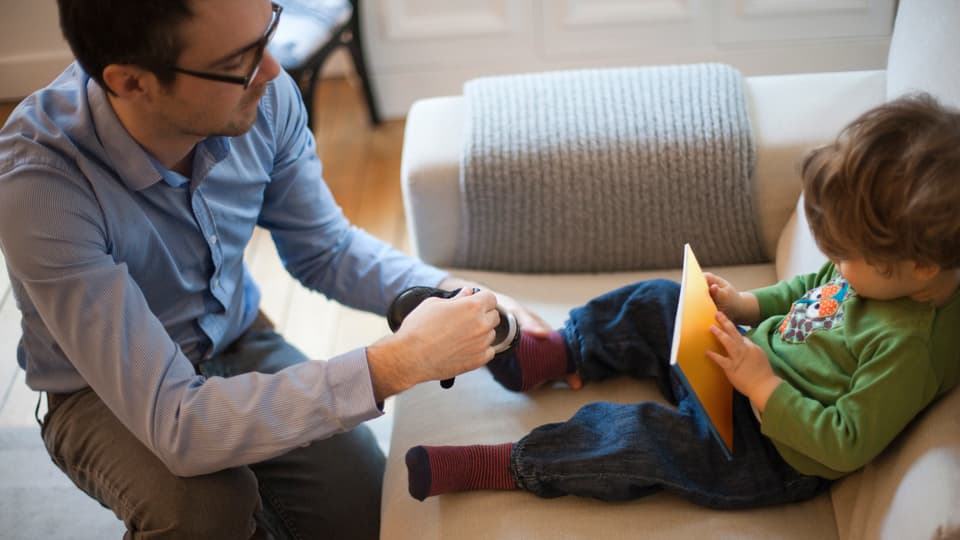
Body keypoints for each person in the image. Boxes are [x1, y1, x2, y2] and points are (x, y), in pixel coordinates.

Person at [0, 1, 552, 538]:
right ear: (132, 82)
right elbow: (178, 423)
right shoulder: (39, 188)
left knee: (363, 510)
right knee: (206, 511)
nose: (272, 68)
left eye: (269, 27)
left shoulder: (264, 95)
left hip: (235, 337)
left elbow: (326, 249)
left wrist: (451, 293)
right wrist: (398, 363)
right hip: (100, 392)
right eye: (236, 62)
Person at [404, 93, 960, 509]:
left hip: (765, 453)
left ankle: (503, 463)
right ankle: (550, 355)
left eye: (847, 258)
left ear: (920, 267)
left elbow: (844, 443)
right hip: (738, 366)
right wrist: (743, 307)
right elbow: (805, 293)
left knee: (637, 437)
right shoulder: (875, 270)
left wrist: (762, 385)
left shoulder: (907, 347)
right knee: (659, 299)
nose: (834, 265)